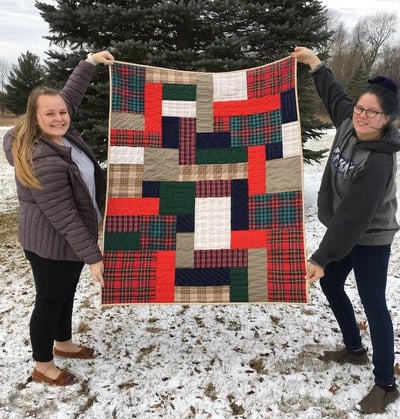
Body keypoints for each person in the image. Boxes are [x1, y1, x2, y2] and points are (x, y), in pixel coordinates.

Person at [291, 46, 400, 414]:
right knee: (330, 283)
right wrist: (314, 64)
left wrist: (321, 256)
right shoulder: (347, 123)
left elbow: (355, 215)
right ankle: (354, 349)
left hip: (371, 236)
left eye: (373, 113)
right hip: (345, 230)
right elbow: (335, 94)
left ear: (387, 119)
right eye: (360, 109)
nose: (363, 117)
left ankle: (386, 384)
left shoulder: (380, 160)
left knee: (374, 305)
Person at [3, 50, 114, 386]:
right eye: (49, 114)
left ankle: (63, 344)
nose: (59, 117)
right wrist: (93, 257)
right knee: (50, 299)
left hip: (69, 238)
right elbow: (63, 216)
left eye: (62, 112)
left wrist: (90, 62)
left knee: (65, 293)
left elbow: (68, 95)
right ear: (34, 118)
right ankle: (43, 365)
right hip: (51, 242)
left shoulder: (58, 130)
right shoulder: (42, 158)